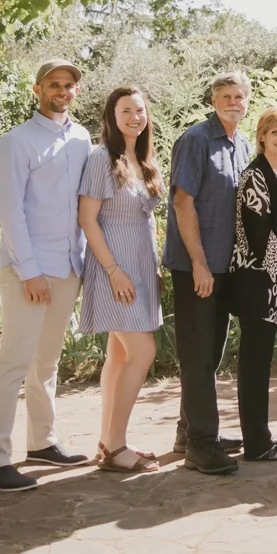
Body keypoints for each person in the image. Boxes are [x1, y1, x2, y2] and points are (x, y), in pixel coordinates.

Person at [0, 59, 94, 492]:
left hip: (66, 267)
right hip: (28, 269)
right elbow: (10, 212)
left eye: (68, 85)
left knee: (46, 362)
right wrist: (30, 272)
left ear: (76, 92)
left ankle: (43, 442)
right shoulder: (16, 142)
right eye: (54, 85)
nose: (62, 91)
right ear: (37, 90)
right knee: (13, 362)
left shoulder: (81, 138)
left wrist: (81, 264)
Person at [165, 71, 253, 474]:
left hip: (226, 267)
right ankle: (201, 446)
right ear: (213, 100)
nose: (234, 102)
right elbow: (183, 204)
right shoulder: (197, 140)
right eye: (226, 96)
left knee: (210, 355)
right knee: (198, 355)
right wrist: (199, 263)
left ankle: (190, 430)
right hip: (196, 267)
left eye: (239, 96)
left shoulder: (243, 143)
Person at [78, 86, 164, 473]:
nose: (134, 116)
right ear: (112, 116)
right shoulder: (101, 159)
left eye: (140, 110)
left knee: (119, 354)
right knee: (143, 352)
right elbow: (87, 219)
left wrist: (155, 267)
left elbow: (146, 220)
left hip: (141, 269)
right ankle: (117, 446)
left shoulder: (143, 158)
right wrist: (114, 272)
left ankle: (104, 442)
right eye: (126, 109)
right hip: (115, 270)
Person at [231, 106, 277, 462]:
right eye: (275, 132)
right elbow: (258, 234)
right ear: (262, 136)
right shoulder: (255, 176)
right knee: (254, 361)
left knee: (259, 360)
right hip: (257, 278)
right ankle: (257, 444)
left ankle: (259, 438)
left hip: (275, 279)